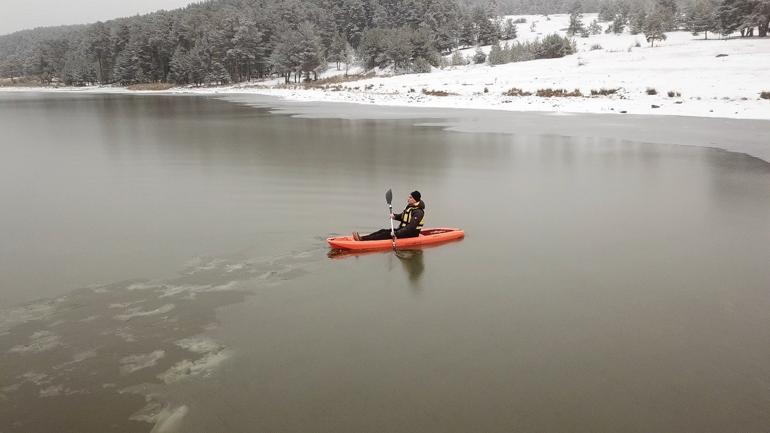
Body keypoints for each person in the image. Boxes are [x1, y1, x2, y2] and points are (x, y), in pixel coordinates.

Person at [354, 191, 425, 241]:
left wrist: (396, 233)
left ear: (415, 200)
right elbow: (403, 217)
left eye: (410, 197)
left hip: (411, 234)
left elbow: (411, 227)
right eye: (409, 197)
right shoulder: (410, 207)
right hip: (403, 231)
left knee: (386, 234)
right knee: (383, 231)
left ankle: (362, 240)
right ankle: (363, 238)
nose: (408, 199)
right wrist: (394, 216)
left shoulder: (418, 212)